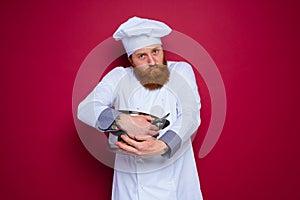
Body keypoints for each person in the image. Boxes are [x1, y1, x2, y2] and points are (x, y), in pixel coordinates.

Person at [78, 16, 203, 200]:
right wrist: (124, 121)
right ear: (131, 60)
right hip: (131, 185)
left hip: (176, 181)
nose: (152, 61)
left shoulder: (181, 71)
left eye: (155, 51)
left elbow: (190, 115)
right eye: (142, 56)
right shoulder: (118, 77)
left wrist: (162, 145)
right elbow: (86, 108)